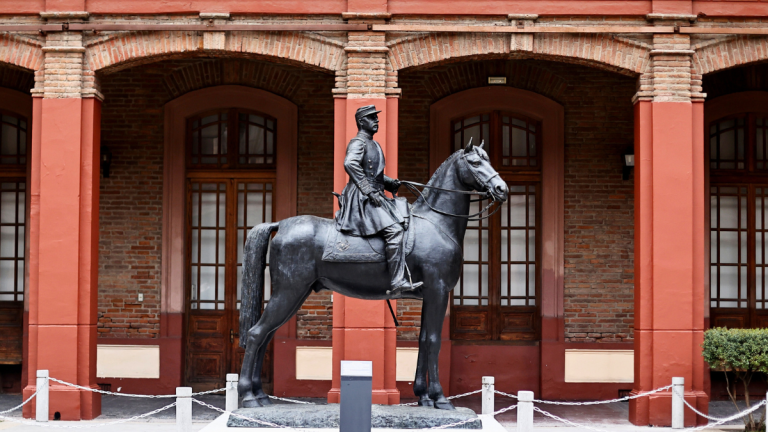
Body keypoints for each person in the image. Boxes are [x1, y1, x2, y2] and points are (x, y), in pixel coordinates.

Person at [335, 105, 423, 296]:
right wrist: (368, 190)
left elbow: (373, 174)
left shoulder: (374, 144)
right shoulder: (358, 142)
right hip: (361, 198)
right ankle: (397, 281)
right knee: (394, 230)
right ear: (361, 122)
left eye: (376, 117)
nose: (377, 121)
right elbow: (350, 163)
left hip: (375, 194)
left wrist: (391, 183)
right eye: (372, 118)